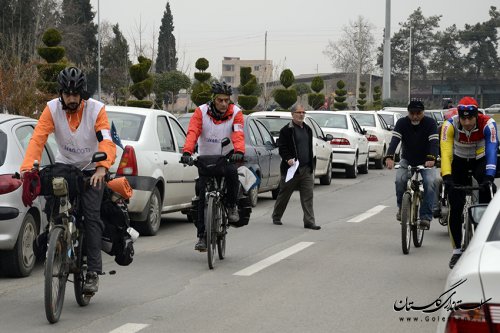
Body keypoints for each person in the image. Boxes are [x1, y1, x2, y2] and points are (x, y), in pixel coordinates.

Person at [20, 67, 116, 293]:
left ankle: (92, 272)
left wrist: (102, 167)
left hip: (92, 169)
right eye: (67, 93)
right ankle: (57, 241)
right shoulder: (51, 109)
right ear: (60, 93)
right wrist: (27, 168)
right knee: (53, 209)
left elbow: (106, 140)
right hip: (65, 166)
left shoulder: (96, 110)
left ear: (82, 94)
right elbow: (38, 139)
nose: (71, 98)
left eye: (76, 94)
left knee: (91, 217)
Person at [181, 81, 245, 252]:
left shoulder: (236, 113)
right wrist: (187, 152)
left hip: (227, 158)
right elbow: (193, 132)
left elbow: (238, 133)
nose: (224, 104)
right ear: (213, 99)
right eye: (220, 100)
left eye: (226, 100)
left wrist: (239, 150)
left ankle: (231, 206)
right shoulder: (200, 112)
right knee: (202, 196)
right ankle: (202, 236)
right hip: (206, 159)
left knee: (233, 175)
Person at [440, 96, 498, 269]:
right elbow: (445, 152)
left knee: (488, 190)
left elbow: (492, 150)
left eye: (470, 118)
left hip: (479, 158)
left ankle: (486, 241)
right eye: (463, 118)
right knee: (455, 205)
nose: (466, 122)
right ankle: (456, 251)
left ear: (476, 115)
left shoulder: (488, 123)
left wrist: (489, 176)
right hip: (458, 159)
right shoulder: (449, 125)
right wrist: (447, 177)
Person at [385, 100, 439, 230]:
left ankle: (425, 216)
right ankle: (401, 208)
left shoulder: (430, 123)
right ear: (408, 113)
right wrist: (389, 157)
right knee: (399, 180)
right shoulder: (402, 123)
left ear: (423, 112)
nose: (415, 116)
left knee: (430, 182)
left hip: (426, 161)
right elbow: (394, 141)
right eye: (412, 113)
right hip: (407, 159)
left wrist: (431, 158)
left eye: (418, 113)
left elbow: (434, 143)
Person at [272, 103, 320, 230]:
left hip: (306, 169)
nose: (301, 115)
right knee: (284, 194)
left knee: (308, 196)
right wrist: (288, 159)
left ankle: (309, 221)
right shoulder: (286, 130)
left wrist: (311, 165)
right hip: (291, 170)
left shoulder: (308, 129)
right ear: (292, 114)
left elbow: (308, 148)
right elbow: (282, 147)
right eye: (299, 112)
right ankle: (276, 216)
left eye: (303, 112)